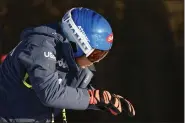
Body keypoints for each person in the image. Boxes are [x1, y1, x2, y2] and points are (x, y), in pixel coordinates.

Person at [0, 7, 135, 123]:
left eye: (103, 55)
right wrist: (92, 98)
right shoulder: (40, 46)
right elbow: (50, 93)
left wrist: (105, 101)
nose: (98, 61)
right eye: (96, 54)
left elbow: (76, 94)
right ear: (77, 44)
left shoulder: (76, 61)